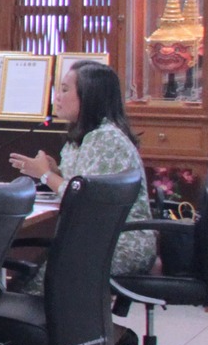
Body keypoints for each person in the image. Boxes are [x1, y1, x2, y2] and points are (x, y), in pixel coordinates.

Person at [8, 59, 155, 286]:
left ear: (89, 97)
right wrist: (55, 170)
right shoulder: (81, 137)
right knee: (29, 277)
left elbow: (83, 198)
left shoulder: (105, 138)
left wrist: (46, 175)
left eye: (65, 90)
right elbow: (82, 183)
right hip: (97, 240)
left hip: (119, 242)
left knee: (35, 281)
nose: (57, 97)